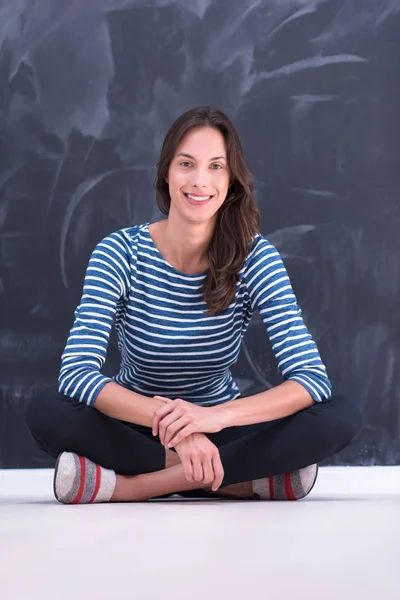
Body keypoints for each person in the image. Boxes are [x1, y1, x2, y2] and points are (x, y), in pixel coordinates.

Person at [25, 106, 362, 504]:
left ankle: (135, 486)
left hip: (223, 425)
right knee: (46, 410)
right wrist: (181, 431)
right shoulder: (118, 253)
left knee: (339, 416)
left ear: (232, 179)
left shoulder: (255, 257)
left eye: (216, 166)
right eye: (187, 164)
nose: (200, 181)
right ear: (166, 172)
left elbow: (310, 380)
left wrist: (210, 419)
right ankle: (242, 482)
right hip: (135, 423)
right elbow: (78, 374)